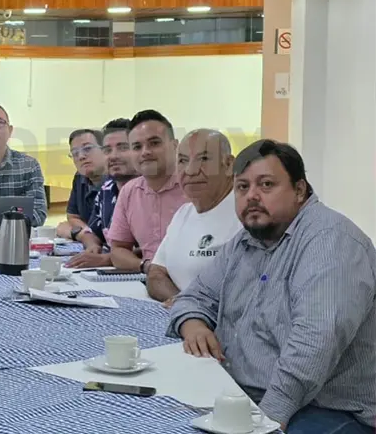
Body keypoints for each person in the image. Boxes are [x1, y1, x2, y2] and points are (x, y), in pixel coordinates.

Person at [168, 140, 376, 433]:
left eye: (266, 185)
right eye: (242, 187)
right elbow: (195, 296)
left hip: (324, 407)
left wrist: (267, 420)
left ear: (299, 190)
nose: (252, 196)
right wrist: (194, 325)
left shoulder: (330, 242)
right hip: (244, 392)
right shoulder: (245, 241)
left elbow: (314, 344)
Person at [146, 129, 242, 306]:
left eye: (203, 159)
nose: (190, 171)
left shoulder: (246, 215)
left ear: (229, 165)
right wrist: (183, 303)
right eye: (183, 161)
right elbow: (156, 273)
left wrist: (189, 307)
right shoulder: (183, 213)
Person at [107, 109, 187, 272]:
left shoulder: (194, 184)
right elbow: (118, 251)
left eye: (154, 143)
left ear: (175, 146)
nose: (145, 152)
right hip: (149, 279)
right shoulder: (129, 192)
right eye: (137, 147)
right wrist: (146, 267)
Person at [66, 118, 138, 268]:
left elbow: (155, 248)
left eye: (123, 148)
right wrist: (92, 245)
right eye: (107, 150)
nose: (113, 156)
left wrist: (106, 259)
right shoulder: (107, 190)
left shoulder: (149, 191)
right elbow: (92, 231)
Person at [56, 128, 107, 240]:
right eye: (75, 153)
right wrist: (87, 235)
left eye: (87, 149)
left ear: (105, 150)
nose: (81, 156)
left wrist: (76, 233)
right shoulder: (80, 177)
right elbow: (73, 216)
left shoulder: (118, 181)